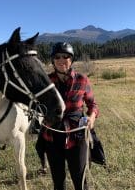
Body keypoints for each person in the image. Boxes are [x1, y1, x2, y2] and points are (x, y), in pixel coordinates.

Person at [36, 42, 99, 190]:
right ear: (52, 60)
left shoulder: (82, 80)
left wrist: (91, 118)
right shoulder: (45, 82)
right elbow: (36, 105)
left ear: (71, 60)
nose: (61, 60)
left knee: (80, 181)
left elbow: (93, 105)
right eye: (57, 57)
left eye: (66, 56)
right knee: (58, 182)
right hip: (52, 137)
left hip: (76, 137)